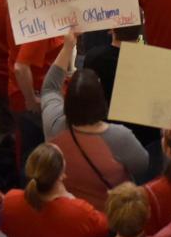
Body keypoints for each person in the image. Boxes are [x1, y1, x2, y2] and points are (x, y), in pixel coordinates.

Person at [46, 66, 149, 207]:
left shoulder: (53, 124)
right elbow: (142, 165)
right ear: (100, 99)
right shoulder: (121, 137)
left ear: (67, 100)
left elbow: (48, 88)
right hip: (110, 213)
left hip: (69, 208)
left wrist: (67, 47)